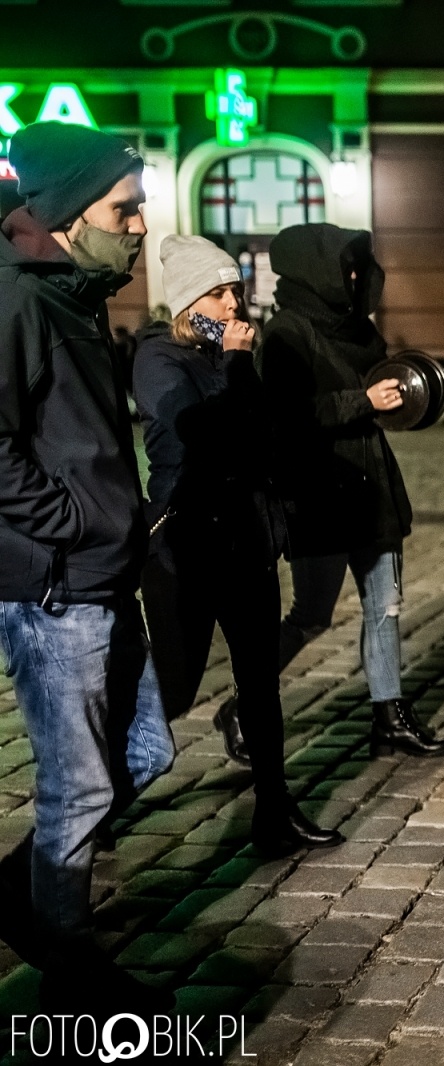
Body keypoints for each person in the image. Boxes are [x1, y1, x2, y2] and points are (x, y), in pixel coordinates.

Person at [0, 122, 175, 1013]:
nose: (140, 224)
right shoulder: (19, 302)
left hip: (106, 573)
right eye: (126, 208)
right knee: (78, 787)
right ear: (70, 214)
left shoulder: (75, 294)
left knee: (145, 753)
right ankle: (71, 977)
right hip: (55, 588)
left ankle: (17, 893)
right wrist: (69, 523)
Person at [135, 235, 343, 857]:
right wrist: (233, 365)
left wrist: (238, 368)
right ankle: (96, 801)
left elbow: (261, 435)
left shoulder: (230, 354)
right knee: (174, 686)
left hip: (249, 540)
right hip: (187, 548)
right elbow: (205, 435)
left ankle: (274, 813)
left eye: (235, 291)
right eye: (219, 293)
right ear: (188, 301)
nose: (234, 304)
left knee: (260, 687)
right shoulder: (158, 359)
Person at [248, 222, 444, 760]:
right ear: (315, 270)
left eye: (359, 267)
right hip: (319, 491)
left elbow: (388, 393)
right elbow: (285, 417)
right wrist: (363, 402)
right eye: (346, 266)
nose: (356, 276)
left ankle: (389, 715)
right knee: (311, 615)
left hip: (372, 489)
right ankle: (244, 706)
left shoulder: (359, 329)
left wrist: (410, 398)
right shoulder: (286, 333)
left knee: (384, 605)